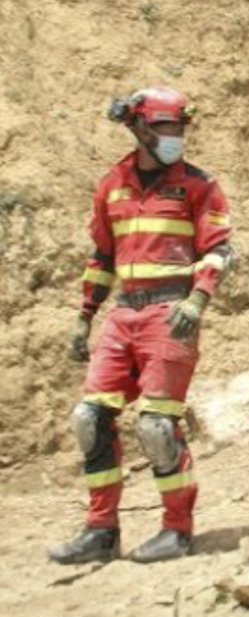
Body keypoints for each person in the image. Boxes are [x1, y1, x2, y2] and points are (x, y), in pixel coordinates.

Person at [50, 86, 234, 565]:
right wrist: (84, 316)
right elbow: (102, 257)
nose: (176, 136)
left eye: (179, 127)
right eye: (165, 127)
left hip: (170, 314)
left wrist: (197, 299)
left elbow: (219, 249)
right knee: (89, 418)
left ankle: (177, 530)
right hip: (123, 313)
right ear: (137, 127)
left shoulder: (199, 185)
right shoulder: (112, 185)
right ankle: (101, 531)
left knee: (157, 426)